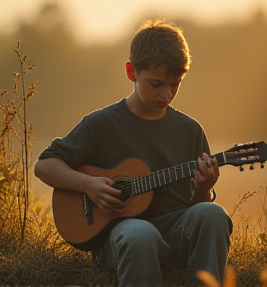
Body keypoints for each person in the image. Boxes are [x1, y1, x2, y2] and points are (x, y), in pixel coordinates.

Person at [34, 18, 233, 287]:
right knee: (140, 233)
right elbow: (45, 165)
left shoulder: (190, 130)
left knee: (214, 214)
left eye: (175, 84)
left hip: (173, 232)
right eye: (156, 84)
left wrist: (204, 188)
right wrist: (89, 184)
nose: (167, 94)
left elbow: (196, 209)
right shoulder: (102, 124)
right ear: (131, 72)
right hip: (120, 237)